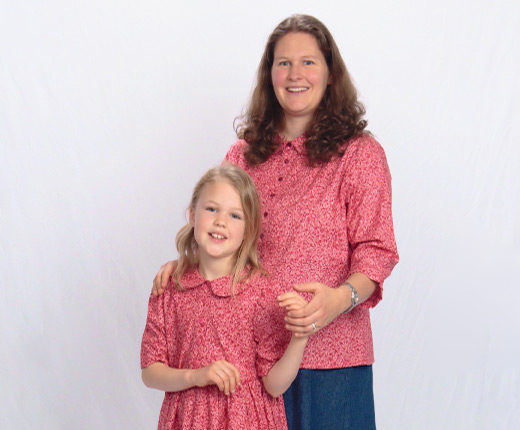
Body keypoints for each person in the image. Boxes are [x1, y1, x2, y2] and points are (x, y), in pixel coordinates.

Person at [152, 14, 399, 430]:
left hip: (334, 359)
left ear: (330, 74)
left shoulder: (359, 155)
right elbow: (220, 231)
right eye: (283, 63)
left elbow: (377, 252)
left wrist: (338, 300)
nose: (295, 73)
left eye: (308, 62)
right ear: (269, 75)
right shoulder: (242, 156)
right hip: (250, 362)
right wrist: (185, 266)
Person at [141, 164, 309, 430]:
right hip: (187, 421)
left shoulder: (260, 292)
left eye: (235, 215)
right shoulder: (169, 289)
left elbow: (274, 386)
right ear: (192, 215)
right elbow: (150, 373)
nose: (220, 221)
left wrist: (299, 339)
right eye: (212, 209)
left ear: (248, 230)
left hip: (248, 422)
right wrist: (196, 376)